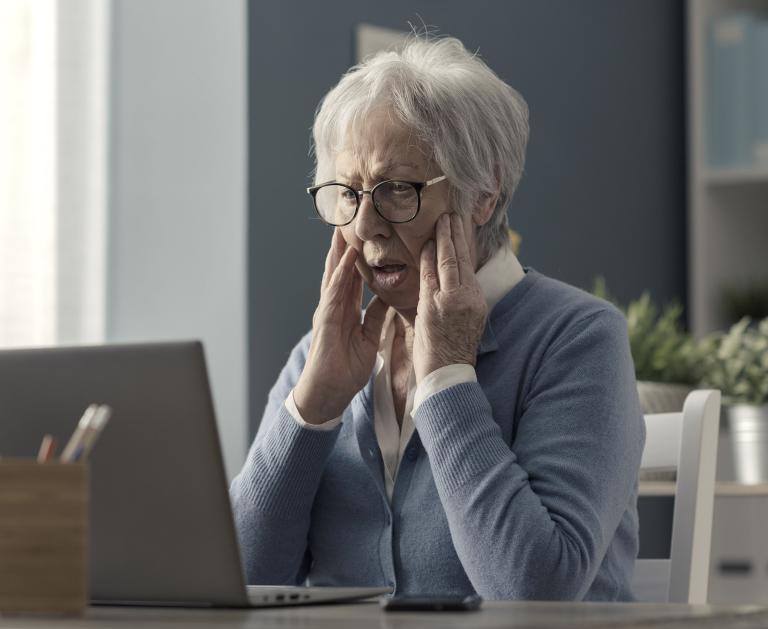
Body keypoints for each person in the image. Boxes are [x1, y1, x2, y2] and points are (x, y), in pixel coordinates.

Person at [231, 36, 644, 600]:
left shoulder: (577, 339)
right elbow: (237, 584)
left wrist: (448, 377)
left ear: (484, 194)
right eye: (348, 193)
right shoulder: (318, 356)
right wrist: (311, 410)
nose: (366, 225)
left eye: (395, 190)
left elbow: (535, 592)